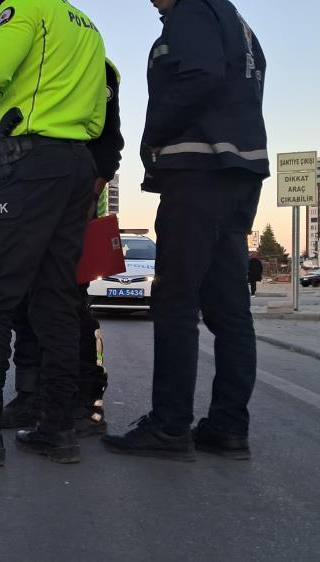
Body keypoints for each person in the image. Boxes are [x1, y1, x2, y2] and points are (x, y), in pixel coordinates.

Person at [0, 0, 107, 466]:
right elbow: (98, 112)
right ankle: (57, 428)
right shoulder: (87, 26)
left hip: (26, 168)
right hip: (75, 167)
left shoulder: (24, 3)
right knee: (56, 303)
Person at [102, 0, 268, 462]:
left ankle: (170, 426)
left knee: (175, 301)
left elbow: (200, 76)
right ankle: (229, 427)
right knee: (230, 309)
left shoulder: (192, 10)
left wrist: (152, 135)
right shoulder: (235, 20)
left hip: (200, 171)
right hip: (238, 173)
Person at [4, 59, 125, 438]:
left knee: (69, 306)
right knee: (24, 304)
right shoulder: (27, 59)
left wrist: (91, 192)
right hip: (30, 199)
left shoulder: (94, 63)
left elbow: (109, 140)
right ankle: (31, 396)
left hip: (75, 205)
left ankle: (87, 404)